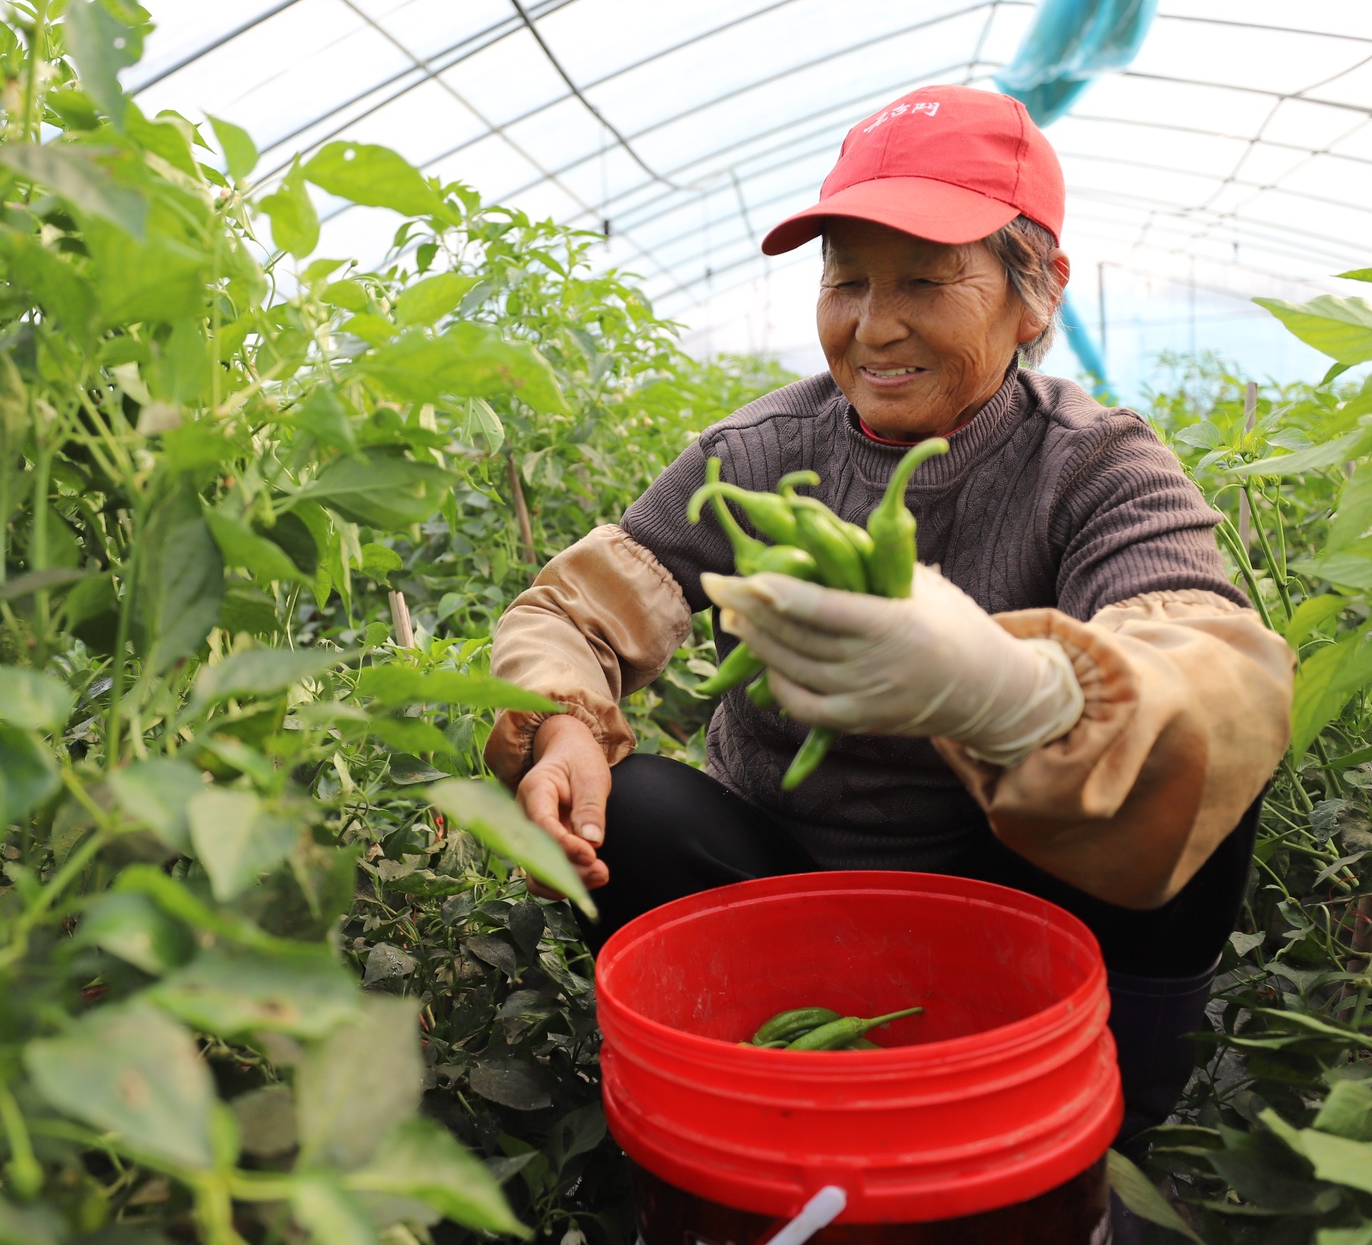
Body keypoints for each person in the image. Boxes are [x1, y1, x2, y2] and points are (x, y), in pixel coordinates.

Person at [485, 85, 1294, 1143]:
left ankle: (1115, 1128)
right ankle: (770, 1091)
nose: (873, 326)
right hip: (783, 868)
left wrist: (1012, 691)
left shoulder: (1096, 465)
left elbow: (1212, 661)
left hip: (1017, 875)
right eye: (845, 280)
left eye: (923, 280)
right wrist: (559, 722)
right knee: (629, 804)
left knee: (1201, 772)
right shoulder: (762, 453)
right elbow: (571, 609)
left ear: (1036, 293)